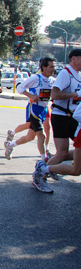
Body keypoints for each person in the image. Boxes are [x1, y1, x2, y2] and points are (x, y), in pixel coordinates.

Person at [32, 49, 81, 193]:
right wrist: (76, 94)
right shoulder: (66, 73)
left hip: (72, 116)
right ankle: (41, 174)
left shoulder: (78, 75)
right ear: (74, 59)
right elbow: (55, 94)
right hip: (61, 116)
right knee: (62, 153)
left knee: (66, 153)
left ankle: (46, 169)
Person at [4, 58, 55, 161]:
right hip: (34, 109)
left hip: (44, 110)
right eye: (51, 67)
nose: (53, 69)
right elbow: (20, 87)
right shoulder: (36, 78)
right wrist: (31, 96)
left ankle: (11, 145)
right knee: (42, 135)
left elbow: (54, 94)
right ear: (44, 68)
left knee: (30, 137)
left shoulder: (53, 81)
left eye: (54, 67)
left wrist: (54, 102)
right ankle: (44, 162)